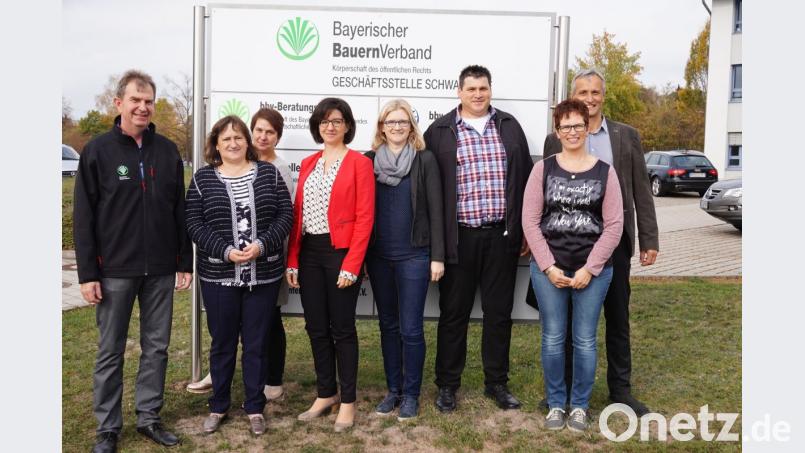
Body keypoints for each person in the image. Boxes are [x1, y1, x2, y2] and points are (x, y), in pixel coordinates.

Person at [73, 70, 193, 453]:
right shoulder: (97, 151)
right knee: (110, 350)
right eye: (135, 100)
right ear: (118, 103)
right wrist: (88, 273)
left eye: (148, 101)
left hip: (159, 269)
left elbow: (179, 210)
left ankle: (149, 417)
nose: (143, 107)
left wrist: (183, 262)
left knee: (156, 347)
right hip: (114, 272)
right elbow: (84, 217)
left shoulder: (167, 151)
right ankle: (108, 429)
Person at [542, 68, 659, 416]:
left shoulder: (626, 136)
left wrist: (649, 238)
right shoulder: (556, 139)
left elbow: (641, 189)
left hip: (613, 241)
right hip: (567, 242)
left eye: (595, 92)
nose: (589, 99)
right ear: (573, 97)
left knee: (617, 317)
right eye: (582, 92)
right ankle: (560, 393)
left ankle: (620, 390)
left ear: (603, 96)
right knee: (564, 321)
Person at [423, 65, 533, 413]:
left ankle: (497, 383)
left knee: (498, 313)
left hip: (501, 237)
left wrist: (525, 230)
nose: (477, 94)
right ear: (459, 92)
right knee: (453, 313)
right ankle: (447, 386)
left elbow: (527, 181)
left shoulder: (510, 126)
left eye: (483, 88)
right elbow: (426, 189)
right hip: (458, 239)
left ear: (490, 90)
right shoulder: (439, 131)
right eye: (470, 89)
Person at [185, 115, 293, 436]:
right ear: (216, 145)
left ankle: (255, 406)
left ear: (247, 141)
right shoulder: (203, 179)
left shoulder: (270, 174)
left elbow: (285, 215)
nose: (233, 143)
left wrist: (261, 245)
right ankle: (218, 405)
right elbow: (193, 223)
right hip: (218, 276)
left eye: (238, 138)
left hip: (263, 273)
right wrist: (224, 250)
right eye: (226, 139)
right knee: (222, 343)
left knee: (257, 343)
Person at [523, 99, 624, 432]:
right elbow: (530, 220)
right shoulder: (543, 169)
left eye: (578, 125)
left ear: (587, 127)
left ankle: (579, 406)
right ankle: (555, 403)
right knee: (552, 339)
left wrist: (590, 269)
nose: (572, 132)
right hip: (549, 269)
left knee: (584, 339)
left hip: (592, 273)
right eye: (565, 126)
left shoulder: (604, 172)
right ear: (557, 130)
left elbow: (614, 226)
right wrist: (549, 266)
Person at [286, 97, 375, 432]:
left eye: (337, 120)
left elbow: (365, 218)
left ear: (348, 125)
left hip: (341, 253)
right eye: (324, 121)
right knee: (316, 327)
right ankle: (326, 393)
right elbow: (299, 216)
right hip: (309, 252)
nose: (330, 126)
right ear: (317, 126)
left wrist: (353, 264)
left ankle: (348, 401)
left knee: (342, 329)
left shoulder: (359, 164)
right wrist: (292, 259)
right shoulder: (308, 163)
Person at [363, 99, 444, 421]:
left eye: (403, 121)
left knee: (411, 329)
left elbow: (437, 211)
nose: (397, 126)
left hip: (415, 255)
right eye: (391, 121)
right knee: (387, 326)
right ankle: (393, 390)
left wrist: (437, 257)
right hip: (379, 257)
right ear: (381, 127)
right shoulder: (368, 161)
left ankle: (411, 394)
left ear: (412, 126)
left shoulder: (424, 160)